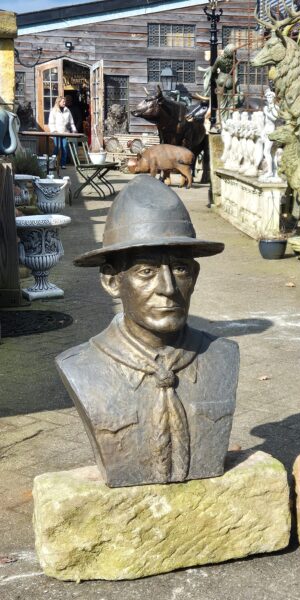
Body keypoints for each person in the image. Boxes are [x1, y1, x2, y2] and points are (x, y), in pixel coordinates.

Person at [55, 175, 239, 488]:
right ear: (112, 282)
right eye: (146, 271)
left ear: (194, 276)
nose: (168, 289)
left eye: (180, 269)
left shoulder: (223, 355)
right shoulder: (80, 366)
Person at [47, 96, 77, 168]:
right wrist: (54, 131)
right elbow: (51, 122)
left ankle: (63, 164)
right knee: (57, 147)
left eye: (65, 101)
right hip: (57, 132)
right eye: (63, 101)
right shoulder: (54, 110)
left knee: (64, 148)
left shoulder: (67, 110)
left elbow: (71, 121)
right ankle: (52, 163)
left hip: (65, 132)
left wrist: (74, 129)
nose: (64, 103)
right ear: (58, 102)